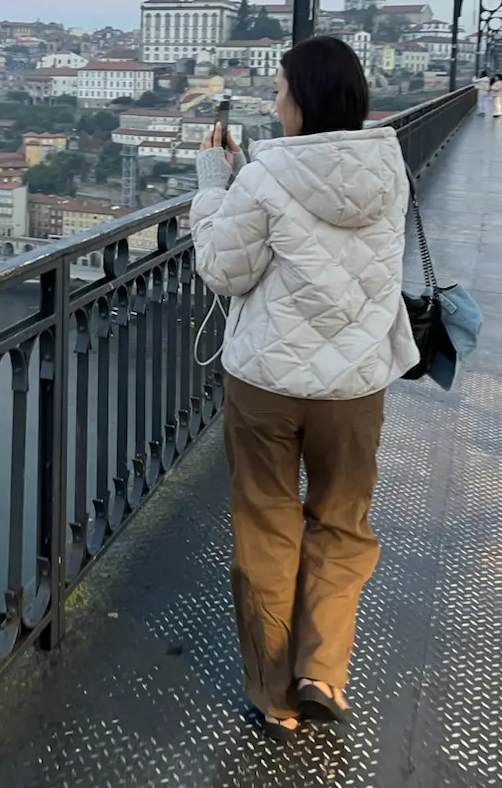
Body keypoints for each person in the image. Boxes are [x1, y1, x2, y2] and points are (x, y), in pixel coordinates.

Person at [191, 36, 419, 742]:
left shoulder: (264, 177)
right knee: (342, 523)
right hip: (354, 385)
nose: (277, 100)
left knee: (267, 526)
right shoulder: (391, 168)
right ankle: (323, 670)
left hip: (267, 381)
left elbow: (222, 270)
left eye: (282, 89)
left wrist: (210, 182)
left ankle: (273, 696)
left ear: (301, 100)